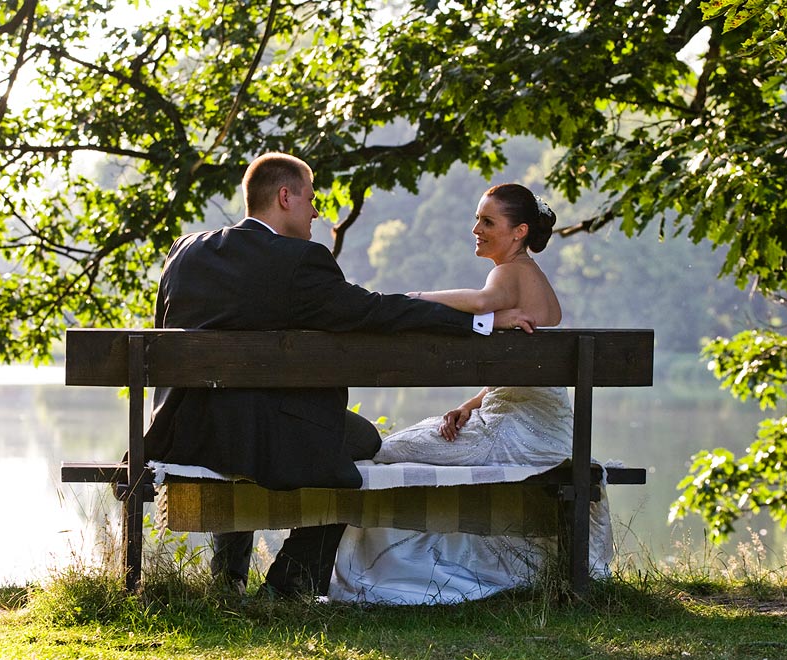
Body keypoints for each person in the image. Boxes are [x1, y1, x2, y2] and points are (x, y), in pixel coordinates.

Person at [143, 153, 534, 599]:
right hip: (253, 436)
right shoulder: (298, 261)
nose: (315, 212)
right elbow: (373, 312)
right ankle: (289, 582)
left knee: (248, 430)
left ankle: (226, 579)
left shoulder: (186, 251)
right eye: (310, 199)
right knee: (361, 442)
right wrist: (479, 322)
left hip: (185, 431)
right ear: (285, 197)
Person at [328, 183, 613, 605]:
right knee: (404, 449)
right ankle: (409, 566)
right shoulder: (531, 276)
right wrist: (469, 404)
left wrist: (412, 299)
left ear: (518, 232)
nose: (476, 229)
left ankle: (384, 573)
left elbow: (482, 303)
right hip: (544, 428)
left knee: (385, 453)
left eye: (488, 221)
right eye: (477, 219)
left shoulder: (510, 273)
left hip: (514, 434)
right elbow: (523, 372)